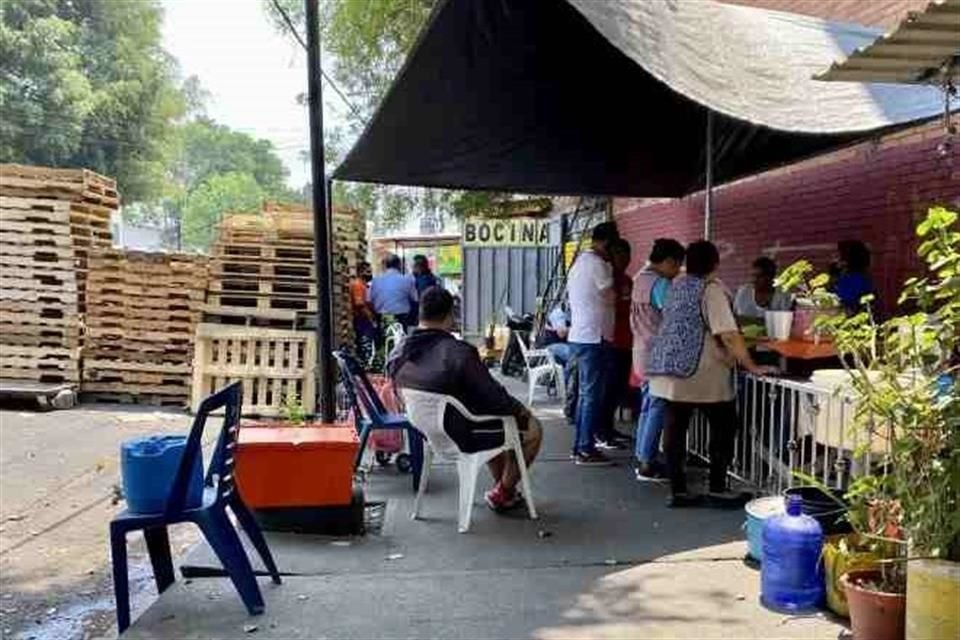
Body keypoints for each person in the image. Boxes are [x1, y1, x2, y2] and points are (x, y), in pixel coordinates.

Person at [387, 287, 543, 512]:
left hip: (428, 432)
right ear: (450, 315)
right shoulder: (458, 352)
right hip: (462, 433)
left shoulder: (399, 351)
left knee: (491, 417)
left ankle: (504, 491)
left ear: (421, 314)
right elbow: (495, 398)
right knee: (531, 429)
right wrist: (521, 411)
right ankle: (504, 492)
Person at [646, 240, 774, 508]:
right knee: (725, 425)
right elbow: (727, 333)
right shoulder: (711, 289)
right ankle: (717, 486)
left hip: (667, 367)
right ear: (715, 263)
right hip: (701, 370)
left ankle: (678, 489)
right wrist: (751, 365)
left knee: (675, 426)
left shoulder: (677, 286)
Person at [630, 238, 686, 481]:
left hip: (641, 351)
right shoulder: (661, 284)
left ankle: (642, 455)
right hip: (658, 353)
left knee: (647, 405)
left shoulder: (639, 279)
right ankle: (647, 464)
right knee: (657, 406)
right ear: (669, 261)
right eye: (677, 267)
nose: (677, 273)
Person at [566, 221, 618, 465]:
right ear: (607, 243)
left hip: (581, 335)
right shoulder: (598, 265)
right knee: (592, 395)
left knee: (586, 394)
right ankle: (586, 449)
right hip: (593, 337)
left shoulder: (579, 262)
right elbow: (610, 296)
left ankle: (580, 446)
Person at [596, 238, 634, 450]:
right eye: (619, 255)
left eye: (626, 255)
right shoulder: (606, 281)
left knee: (618, 387)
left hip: (627, 342)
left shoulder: (628, 280)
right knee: (606, 389)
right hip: (610, 341)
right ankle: (601, 430)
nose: (623, 259)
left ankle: (609, 428)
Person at [733, 256, 792, 322]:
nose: (754, 280)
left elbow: (786, 321)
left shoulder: (783, 295)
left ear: (770, 277)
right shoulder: (743, 293)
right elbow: (734, 318)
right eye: (753, 275)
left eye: (759, 276)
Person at [368, 254, 418, 329]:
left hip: (382, 317)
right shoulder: (408, 280)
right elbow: (415, 299)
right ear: (399, 265)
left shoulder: (375, 281)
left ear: (385, 265)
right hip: (402, 318)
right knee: (401, 338)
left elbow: (369, 300)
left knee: (382, 338)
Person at [832, 240, 874, 313]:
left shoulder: (855, 280)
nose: (833, 258)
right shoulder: (860, 277)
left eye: (837, 255)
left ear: (846, 260)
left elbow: (841, 302)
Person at [349, 261, 377, 360]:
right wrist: (371, 318)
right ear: (361, 273)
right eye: (368, 272)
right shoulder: (358, 285)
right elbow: (360, 304)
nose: (370, 274)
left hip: (363, 318)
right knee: (365, 343)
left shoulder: (364, 285)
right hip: (362, 319)